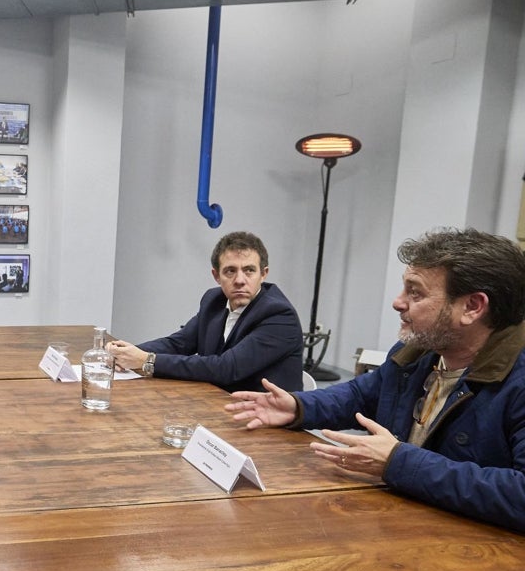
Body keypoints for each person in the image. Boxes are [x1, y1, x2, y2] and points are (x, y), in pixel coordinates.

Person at [226, 227, 525, 533]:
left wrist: (399, 462)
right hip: (403, 524)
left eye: (415, 292)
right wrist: (298, 406)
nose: (398, 302)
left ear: (472, 307)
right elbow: (363, 394)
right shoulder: (419, 352)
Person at [106, 231, 303, 393]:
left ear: (264, 274)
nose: (240, 280)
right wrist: (126, 353)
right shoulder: (214, 301)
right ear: (216, 276)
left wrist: (147, 361)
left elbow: (227, 368)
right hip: (218, 405)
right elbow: (179, 343)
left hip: (268, 425)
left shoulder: (279, 315)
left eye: (249, 270)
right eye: (230, 271)